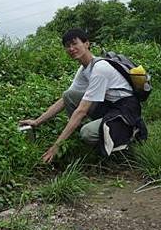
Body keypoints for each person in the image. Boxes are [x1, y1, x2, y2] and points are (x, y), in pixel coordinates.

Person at [19, 28, 147, 163]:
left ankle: (129, 134)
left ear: (87, 44)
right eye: (67, 46)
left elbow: (81, 111)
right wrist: (37, 121)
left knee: (87, 133)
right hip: (109, 105)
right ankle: (98, 133)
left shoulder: (100, 69)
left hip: (126, 110)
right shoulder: (84, 68)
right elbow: (64, 100)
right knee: (69, 95)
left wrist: (56, 146)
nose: (71, 48)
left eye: (75, 43)